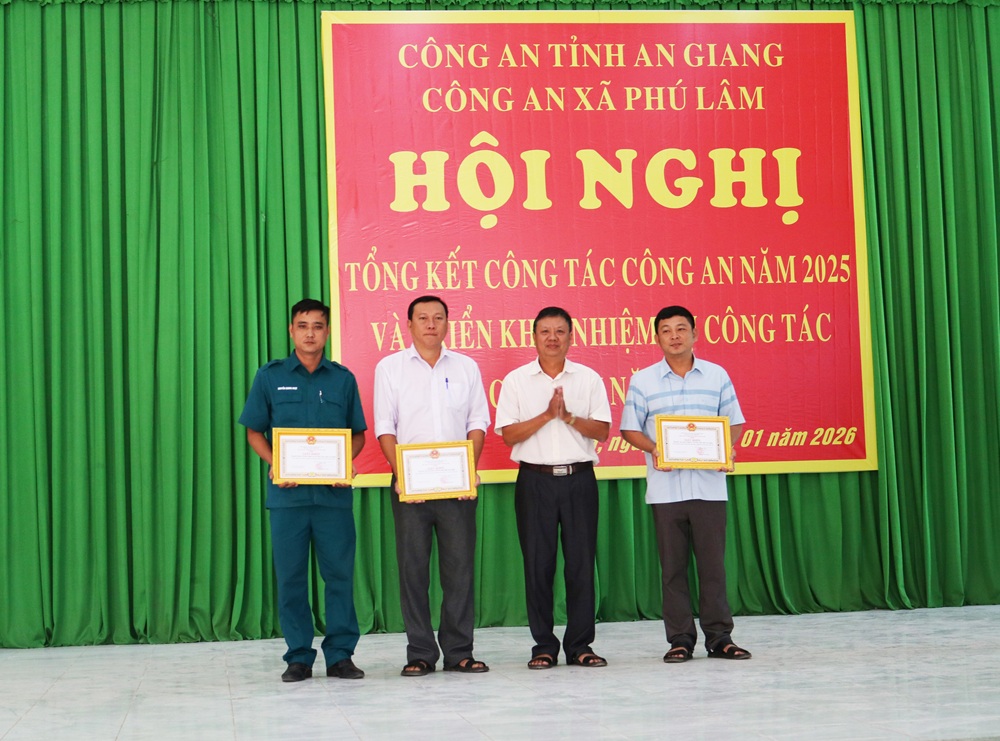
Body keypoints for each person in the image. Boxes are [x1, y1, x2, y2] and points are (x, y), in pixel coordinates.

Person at [239, 298, 368, 682]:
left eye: (318, 326)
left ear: (327, 331)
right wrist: (275, 463)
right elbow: (254, 431)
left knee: (339, 578)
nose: (310, 333)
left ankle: (340, 655)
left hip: (332, 498)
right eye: (303, 325)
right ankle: (298, 657)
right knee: (291, 579)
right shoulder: (270, 376)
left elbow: (357, 434)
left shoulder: (343, 379)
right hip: (288, 498)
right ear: (291, 330)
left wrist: (345, 462)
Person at [620, 305, 750, 663]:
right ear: (656, 337)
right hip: (666, 489)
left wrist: (725, 448)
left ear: (695, 333)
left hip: (709, 487)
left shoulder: (716, 375)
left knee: (713, 567)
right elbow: (630, 429)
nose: (674, 336)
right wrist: (655, 449)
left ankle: (720, 638)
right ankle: (680, 639)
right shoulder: (643, 380)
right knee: (672, 569)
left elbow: (734, 422)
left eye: (681, 329)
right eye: (666, 330)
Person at [373, 296, 491, 677]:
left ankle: (459, 651)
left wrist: (467, 470)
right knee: (413, 571)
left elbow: (477, 422)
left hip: (458, 488)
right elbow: (385, 428)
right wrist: (403, 476)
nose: (430, 324)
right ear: (408, 324)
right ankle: (420, 652)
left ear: (447, 324)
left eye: (438, 318)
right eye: (422, 318)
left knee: (460, 570)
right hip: (410, 489)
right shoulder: (389, 368)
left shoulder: (466, 367)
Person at [494, 306, 612, 670]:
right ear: (533, 337)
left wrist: (569, 417)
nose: (552, 338)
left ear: (571, 337)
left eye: (560, 331)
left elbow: (603, 431)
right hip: (535, 481)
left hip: (579, 480)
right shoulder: (516, 380)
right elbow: (508, 434)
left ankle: (580, 645)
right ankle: (543, 645)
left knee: (580, 566)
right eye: (545, 331)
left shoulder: (588, 378)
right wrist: (547, 415)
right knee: (537, 566)